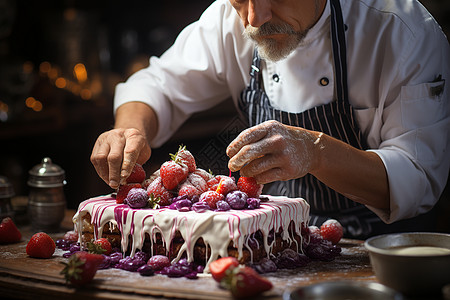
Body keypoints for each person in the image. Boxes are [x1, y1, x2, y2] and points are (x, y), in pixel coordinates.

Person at [91, 0, 450, 239]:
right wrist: (130, 128)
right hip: (275, 246)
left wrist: (315, 153)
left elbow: (417, 177)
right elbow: (158, 84)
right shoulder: (228, 19)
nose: (253, 19)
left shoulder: (402, 30)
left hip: (383, 256)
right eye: (240, 0)